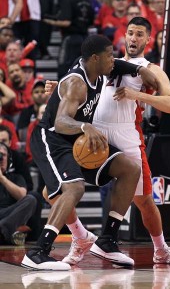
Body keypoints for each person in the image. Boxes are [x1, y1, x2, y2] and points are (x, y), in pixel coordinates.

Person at [45, 17, 170, 265]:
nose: (133, 38)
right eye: (130, 33)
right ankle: (80, 239)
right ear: (124, 35)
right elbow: (81, 87)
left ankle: (161, 248)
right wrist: (58, 88)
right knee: (55, 189)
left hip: (126, 135)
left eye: (140, 34)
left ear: (148, 39)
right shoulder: (102, 62)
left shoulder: (150, 68)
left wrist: (137, 94)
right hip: (93, 133)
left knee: (143, 201)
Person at [21, 34, 157, 271]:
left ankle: (106, 241)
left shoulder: (96, 68)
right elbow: (62, 121)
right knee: (74, 188)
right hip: (52, 139)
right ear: (95, 59)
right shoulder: (78, 83)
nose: (113, 60)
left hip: (76, 141)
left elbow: (117, 63)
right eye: (108, 56)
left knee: (130, 168)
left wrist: (138, 71)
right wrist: (86, 126)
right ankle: (38, 251)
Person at [0, 142, 37, 245]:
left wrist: (2, 179)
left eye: (3, 155)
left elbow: (22, 195)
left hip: (11, 214)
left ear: (9, 159)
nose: (1, 159)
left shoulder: (16, 177)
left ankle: (4, 228)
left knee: (31, 199)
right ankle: (8, 233)